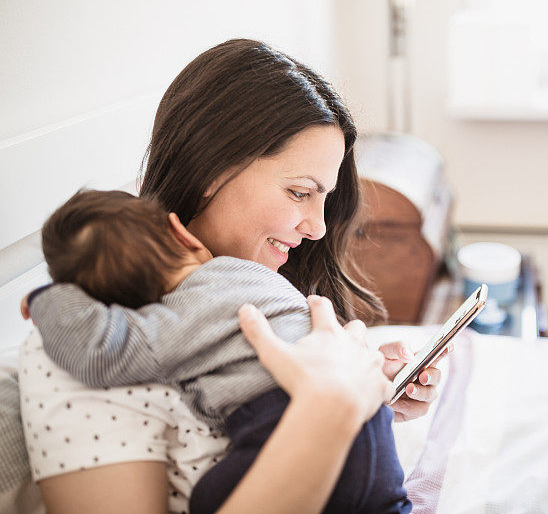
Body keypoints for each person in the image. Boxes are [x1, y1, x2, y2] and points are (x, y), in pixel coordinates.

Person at [18, 38, 446, 512]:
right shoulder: (83, 347)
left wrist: (369, 387)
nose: (320, 227)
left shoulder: (248, 292)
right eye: (300, 192)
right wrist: (333, 407)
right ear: (211, 170)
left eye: (324, 198)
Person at [24, 188, 412, 513]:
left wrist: (49, 298)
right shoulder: (252, 272)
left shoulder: (168, 323)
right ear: (181, 233)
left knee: (209, 497)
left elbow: (99, 350)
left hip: (284, 419)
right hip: (373, 430)